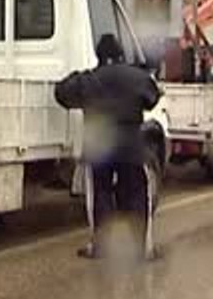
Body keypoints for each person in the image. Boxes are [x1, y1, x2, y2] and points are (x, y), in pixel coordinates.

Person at [55, 33, 162, 261]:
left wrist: (80, 77)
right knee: (136, 195)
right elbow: (153, 97)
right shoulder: (137, 77)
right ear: (121, 53)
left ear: (99, 55)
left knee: (100, 195)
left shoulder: (89, 79)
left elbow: (61, 93)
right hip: (131, 147)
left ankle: (101, 247)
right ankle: (140, 249)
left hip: (100, 147)